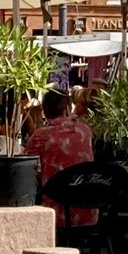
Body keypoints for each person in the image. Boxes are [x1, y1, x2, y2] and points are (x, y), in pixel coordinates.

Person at [25, 89, 95, 225]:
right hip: (88, 209)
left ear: (44, 111)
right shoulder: (85, 130)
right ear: (67, 109)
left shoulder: (42, 135)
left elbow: (24, 166)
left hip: (56, 212)